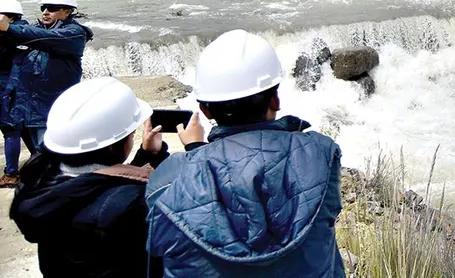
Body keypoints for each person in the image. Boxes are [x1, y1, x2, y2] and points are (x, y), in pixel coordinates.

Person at [146, 29, 347, 278]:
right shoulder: (321, 155)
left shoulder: (167, 180)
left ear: (205, 111)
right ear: (275, 100)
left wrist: (194, 152)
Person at [8, 76, 191, 278]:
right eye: (130, 134)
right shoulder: (133, 204)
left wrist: (148, 156)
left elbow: (99, 185)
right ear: (113, 146)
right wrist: (196, 149)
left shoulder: (42, 181)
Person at [0, 0, 93, 153]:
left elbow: (44, 38)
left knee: (52, 158)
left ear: (68, 11)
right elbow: (23, 33)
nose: (46, 12)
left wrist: (8, 27)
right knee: (39, 156)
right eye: (44, 8)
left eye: (52, 8)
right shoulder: (37, 29)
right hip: (29, 109)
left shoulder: (74, 34)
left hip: (54, 109)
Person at [0, 0, 29, 188]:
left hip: (7, 87)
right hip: (19, 87)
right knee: (17, 129)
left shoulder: (9, 35)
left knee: (10, 129)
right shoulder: (25, 32)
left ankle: (11, 174)